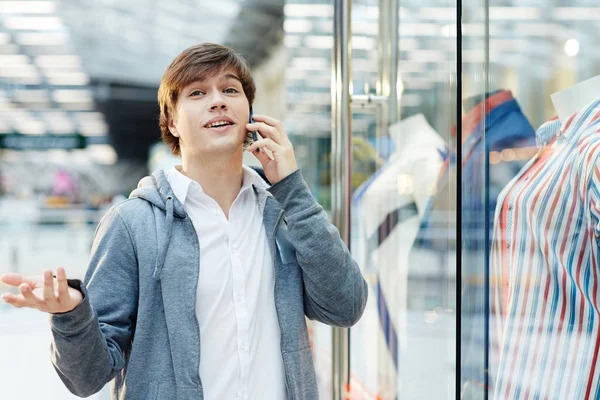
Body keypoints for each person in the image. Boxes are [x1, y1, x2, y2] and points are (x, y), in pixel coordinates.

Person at [0, 43, 368, 400]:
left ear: (251, 115)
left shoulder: (284, 212)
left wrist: (293, 189)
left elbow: (345, 306)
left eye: (230, 89)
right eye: (197, 93)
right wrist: (71, 314)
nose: (218, 99)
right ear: (172, 122)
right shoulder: (133, 225)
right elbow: (87, 378)